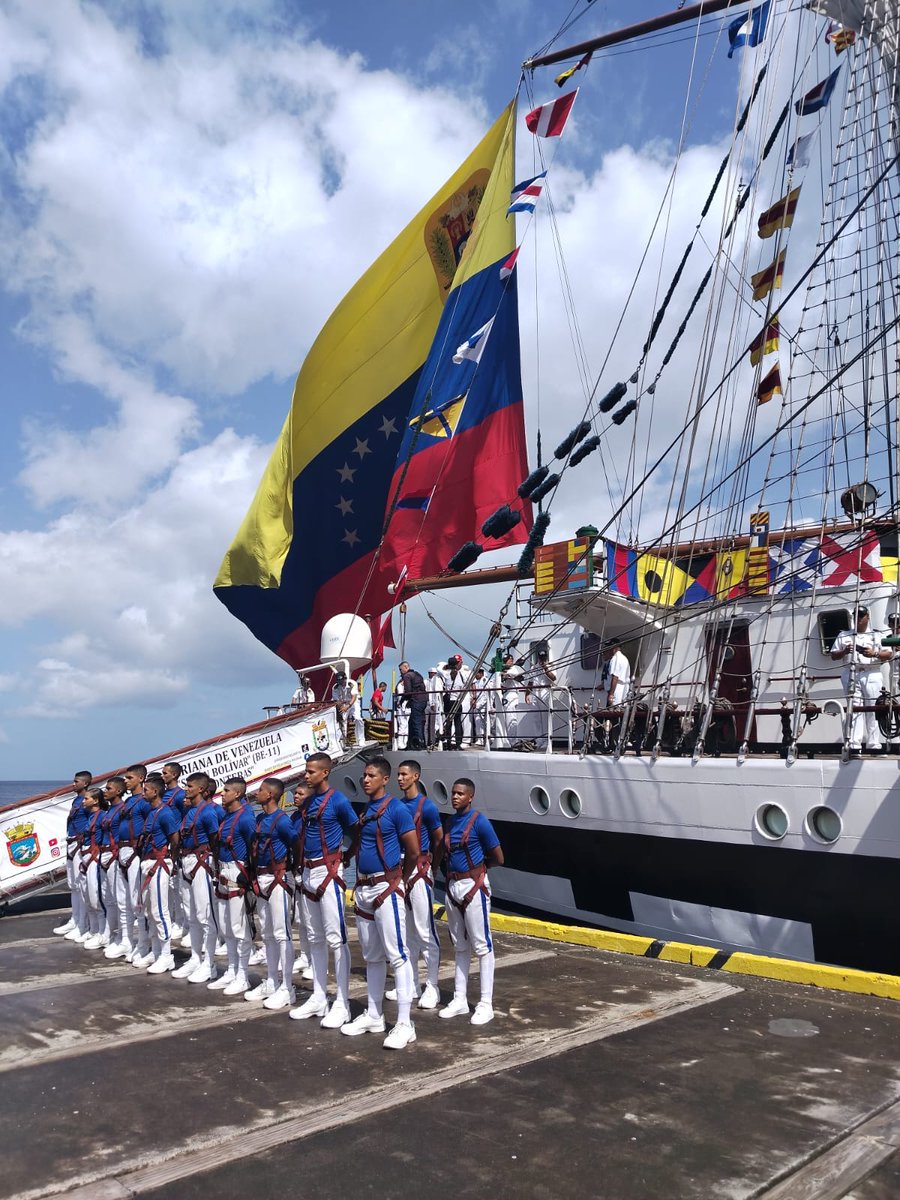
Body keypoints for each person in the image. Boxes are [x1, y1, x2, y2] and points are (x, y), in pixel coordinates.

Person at [342, 758, 419, 1049]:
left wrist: (399, 880)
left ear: (384, 779)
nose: (365, 780)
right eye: (364, 775)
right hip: (363, 888)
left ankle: (404, 1023)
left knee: (397, 955)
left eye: (371, 776)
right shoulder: (367, 810)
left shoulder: (397, 810)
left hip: (385, 887)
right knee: (372, 956)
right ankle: (374, 1014)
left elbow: (412, 850)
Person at [289, 752, 358, 1027]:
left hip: (328, 871)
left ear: (325, 773)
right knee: (314, 937)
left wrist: (346, 856)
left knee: (336, 938)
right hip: (307, 872)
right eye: (306, 771)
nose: (306, 775)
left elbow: (357, 830)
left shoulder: (338, 801)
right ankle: (319, 996)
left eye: (311, 771)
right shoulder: (309, 803)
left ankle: (342, 1002)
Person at [439, 778, 503, 1026]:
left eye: (460, 794)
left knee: (482, 946)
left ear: (470, 797)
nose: (455, 797)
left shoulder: (480, 823)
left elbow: (498, 856)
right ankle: (460, 999)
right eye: (453, 793)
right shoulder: (450, 821)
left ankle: (486, 1004)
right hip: (453, 887)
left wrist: (479, 870)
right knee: (459, 945)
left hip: (473, 886)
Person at [395, 760, 443, 1008]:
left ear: (416, 776)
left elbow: (439, 840)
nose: (400, 778)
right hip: (401, 869)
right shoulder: (397, 806)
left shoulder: (427, 808)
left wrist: (432, 869)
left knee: (425, 931)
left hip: (420, 869)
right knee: (407, 933)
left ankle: (432, 985)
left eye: (404, 774)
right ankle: (412, 983)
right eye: (398, 774)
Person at [246, 777, 296, 1010]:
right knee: (267, 933)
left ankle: (287, 987)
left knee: (281, 932)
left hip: (278, 879)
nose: (257, 792)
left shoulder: (282, 821)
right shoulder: (259, 819)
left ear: (272, 795)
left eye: (262, 790)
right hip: (261, 879)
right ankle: (272, 980)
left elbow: (296, 844)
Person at [209, 777, 257, 996]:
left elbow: (252, 848)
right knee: (226, 926)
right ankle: (231, 968)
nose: (222, 794)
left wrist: (249, 878)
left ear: (237, 794)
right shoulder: (226, 817)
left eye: (226, 790)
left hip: (237, 874)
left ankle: (243, 975)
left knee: (240, 929)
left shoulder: (246, 818)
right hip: (223, 873)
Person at [173, 771, 221, 984]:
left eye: (190, 786)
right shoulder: (188, 811)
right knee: (190, 914)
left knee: (204, 915)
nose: (186, 789)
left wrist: (216, 869)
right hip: (186, 862)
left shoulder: (208, 812)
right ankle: (195, 957)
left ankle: (209, 963)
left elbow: (215, 841)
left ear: (201, 789)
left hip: (202, 864)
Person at [831, 605, 894, 752]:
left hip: (871, 672)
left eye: (861, 615)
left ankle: (874, 743)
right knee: (855, 708)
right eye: (856, 615)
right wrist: (844, 651)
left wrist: (875, 654)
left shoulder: (877, 635)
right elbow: (834, 655)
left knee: (874, 709)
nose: (858, 618)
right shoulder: (844, 635)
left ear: (867, 617)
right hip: (851, 672)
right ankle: (854, 743)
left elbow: (889, 654)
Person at [138, 771, 181, 973]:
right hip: (147, 863)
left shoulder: (165, 813)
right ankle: (155, 952)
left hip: (159, 863)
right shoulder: (151, 812)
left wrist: (170, 861)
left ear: (155, 792)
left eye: (145, 790)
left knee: (159, 910)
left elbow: (175, 838)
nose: (143, 793)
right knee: (148, 910)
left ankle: (166, 955)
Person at [107, 764, 150, 962]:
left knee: (137, 902)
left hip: (135, 852)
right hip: (121, 852)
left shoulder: (143, 802)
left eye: (129, 777)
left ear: (141, 779)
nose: (126, 781)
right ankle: (126, 940)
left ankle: (143, 943)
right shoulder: (128, 802)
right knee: (122, 900)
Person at [55, 770, 93, 940]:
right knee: (72, 884)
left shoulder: (86, 802)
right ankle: (75, 919)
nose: (73, 784)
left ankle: (83, 924)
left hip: (80, 844)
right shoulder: (76, 801)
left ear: (85, 783)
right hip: (71, 843)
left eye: (76, 781)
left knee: (80, 884)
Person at [98, 776, 126, 953]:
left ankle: (123, 938)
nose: (105, 792)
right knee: (107, 897)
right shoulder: (109, 810)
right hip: (104, 853)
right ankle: (110, 932)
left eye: (109, 789)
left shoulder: (122, 810)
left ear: (118, 791)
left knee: (120, 900)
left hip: (114, 855)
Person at [79, 786, 109, 949]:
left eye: (87, 798)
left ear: (96, 801)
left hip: (94, 857)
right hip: (85, 856)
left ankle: (103, 933)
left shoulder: (102, 817)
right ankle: (94, 929)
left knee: (96, 896)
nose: (84, 801)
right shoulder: (90, 816)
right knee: (87, 896)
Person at [161, 762, 187, 940]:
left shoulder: (179, 796)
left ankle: (182, 921)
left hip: (174, 842)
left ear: (175, 775)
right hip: (162, 842)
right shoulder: (163, 794)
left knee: (178, 886)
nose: (163, 776)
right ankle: (172, 918)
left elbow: (185, 817)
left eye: (166, 773)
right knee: (170, 885)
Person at [441, 655, 471, 750]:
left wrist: (447, 666)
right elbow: (466, 684)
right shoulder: (461, 674)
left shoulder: (445, 673)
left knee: (448, 723)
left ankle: (449, 744)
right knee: (458, 723)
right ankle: (458, 744)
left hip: (448, 701)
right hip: (457, 701)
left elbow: (439, 669)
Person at [398, 661, 427, 750]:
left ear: (405, 668)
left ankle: (420, 743)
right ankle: (410, 743)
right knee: (412, 722)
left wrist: (402, 700)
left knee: (416, 722)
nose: (400, 672)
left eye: (401, 669)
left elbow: (408, 691)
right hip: (424, 700)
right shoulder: (417, 674)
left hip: (416, 701)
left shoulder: (407, 676)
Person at [332, 670, 364, 745]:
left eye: (342, 681)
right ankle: (342, 740)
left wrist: (348, 706)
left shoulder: (352, 683)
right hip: (342, 703)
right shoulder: (335, 687)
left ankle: (360, 739)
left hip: (353, 702)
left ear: (345, 679)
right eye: (339, 681)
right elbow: (336, 700)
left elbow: (354, 696)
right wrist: (342, 707)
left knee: (358, 719)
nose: (341, 683)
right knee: (342, 721)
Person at [602, 639, 631, 706]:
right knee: (620, 710)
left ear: (614, 648)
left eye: (609, 648)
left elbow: (615, 677)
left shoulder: (615, 658)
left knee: (613, 712)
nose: (608, 650)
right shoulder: (624, 658)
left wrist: (611, 694)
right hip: (623, 689)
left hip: (616, 690)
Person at [425, 667, 445, 749]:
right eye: (432, 673)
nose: (434, 674)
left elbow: (437, 693)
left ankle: (433, 741)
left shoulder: (437, 680)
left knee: (434, 724)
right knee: (426, 725)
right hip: (427, 704)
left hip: (435, 704)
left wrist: (434, 703)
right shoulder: (426, 681)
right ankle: (427, 742)